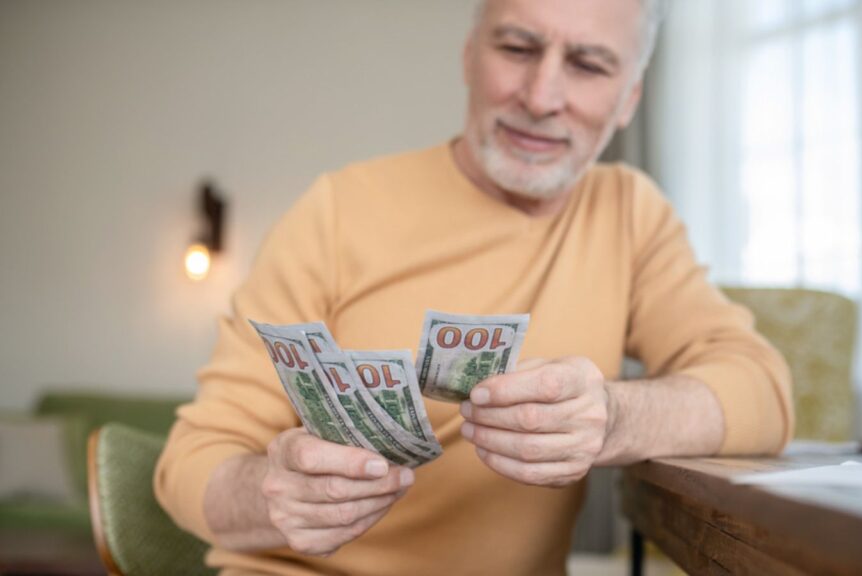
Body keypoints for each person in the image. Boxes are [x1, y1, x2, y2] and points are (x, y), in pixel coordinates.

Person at [155, 0, 794, 574]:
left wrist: (616, 417)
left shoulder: (630, 214)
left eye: (589, 65)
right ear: (469, 55)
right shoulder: (337, 211)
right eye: (517, 48)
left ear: (629, 98)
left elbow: (762, 389)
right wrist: (274, 493)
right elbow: (188, 464)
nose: (542, 96)